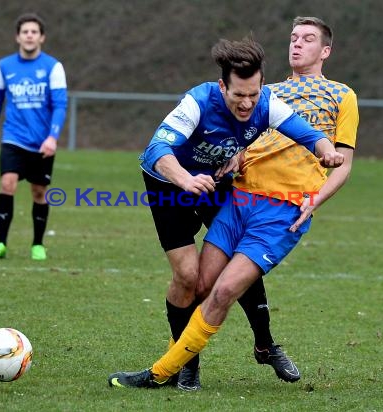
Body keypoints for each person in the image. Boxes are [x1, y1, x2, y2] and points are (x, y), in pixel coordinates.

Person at [108, 16, 358, 389]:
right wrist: (185, 179)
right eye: (238, 95)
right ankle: (184, 358)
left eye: (253, 95)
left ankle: (217, 355)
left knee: (225, 279)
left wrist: (326, 152)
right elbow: (157, 149)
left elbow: (309, 134)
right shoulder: (198, 100)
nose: (246, 103)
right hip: (168, 183)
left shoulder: (270, 102)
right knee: (189, 278)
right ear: (222, 86)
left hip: (224, 186)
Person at [0, 12, 67, 261]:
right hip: (13, 138)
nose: (29, 35)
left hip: (42, 142)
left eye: (34, 32)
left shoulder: (53, 67)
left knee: (39, 192)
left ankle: (37, 244)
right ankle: (0, 243)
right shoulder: (4, 66)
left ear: (42, 38)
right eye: (25, 32)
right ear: (18, 37)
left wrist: (53, 137)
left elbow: (60, 105)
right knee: (7, 183)